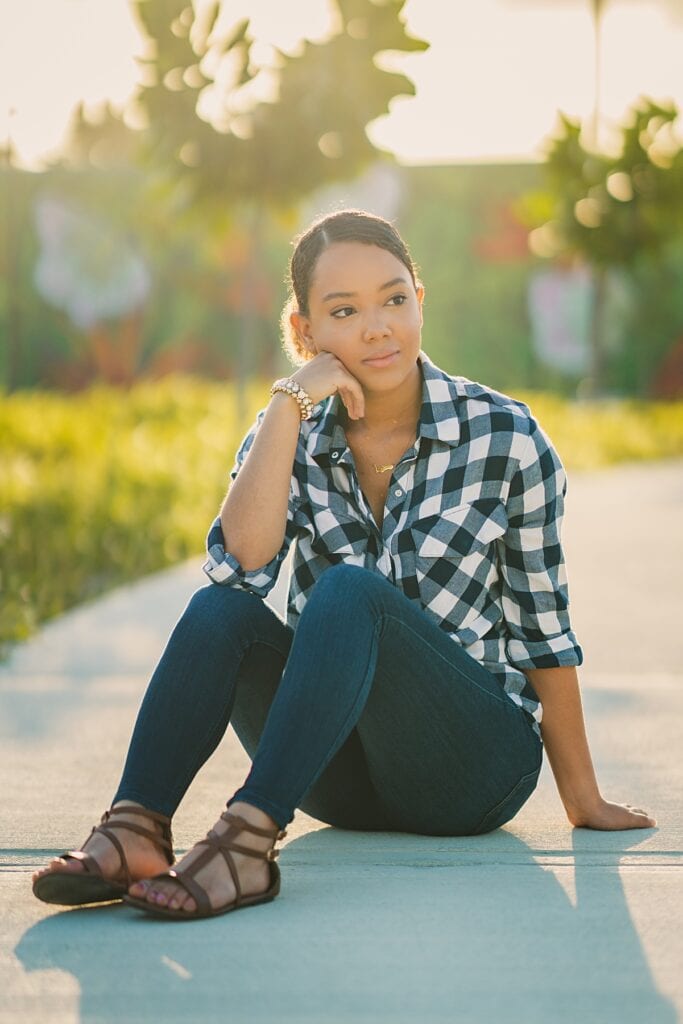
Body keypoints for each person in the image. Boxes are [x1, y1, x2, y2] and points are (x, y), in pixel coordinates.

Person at [32, 209, 656, 922]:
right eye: (343, 310)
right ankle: (136, 828)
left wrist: (581, 799)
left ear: (420, 300)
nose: (377, 327)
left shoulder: (505, 437)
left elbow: (541, 625)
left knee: (348, 592)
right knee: (221, 611)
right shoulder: (287, 432)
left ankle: (245, 845)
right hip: (340, 778)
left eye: (394, 299)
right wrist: (287, 404)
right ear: (304, 334)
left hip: (469, 769)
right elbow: (239, 565)